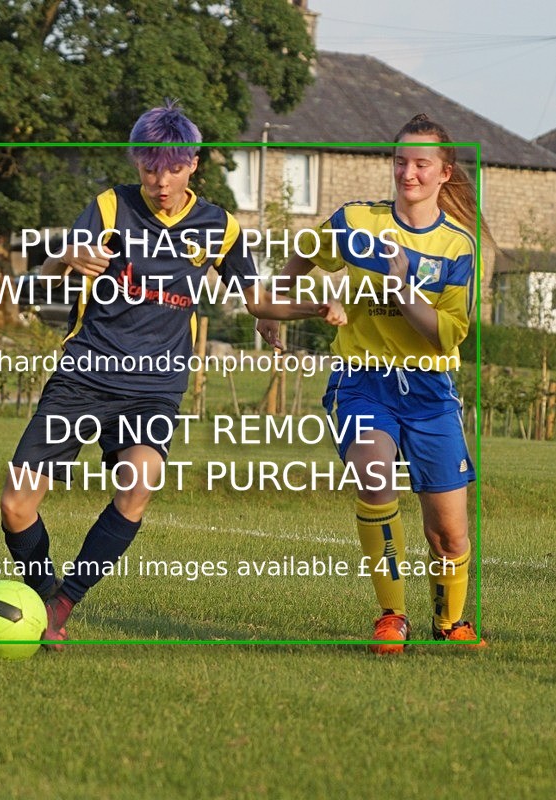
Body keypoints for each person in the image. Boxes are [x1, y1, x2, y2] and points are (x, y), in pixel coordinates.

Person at [0, 101, 346, 649]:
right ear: (137, 164)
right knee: (16, 505)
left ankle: (62, 606)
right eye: (149, 168)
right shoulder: (109, 208)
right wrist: (67, 257)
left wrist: (314, 307)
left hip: (153, 387)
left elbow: (257, 301)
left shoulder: (218, 226)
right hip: (84, 376)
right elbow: (45, 270)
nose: (161, 182)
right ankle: (42, 592)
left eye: (173, 168)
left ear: (193, 164)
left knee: (137, 488)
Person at [259, 113, 491, 654]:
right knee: (374, 475)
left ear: (444, 173)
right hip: (362, 381)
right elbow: (307, 253)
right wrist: (273, 304)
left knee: (449, 534)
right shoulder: (358, 220)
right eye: (400, 162)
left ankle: (449, 622)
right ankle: (392, 615)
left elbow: (445, 336)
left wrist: (404, 286)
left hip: (431, 389)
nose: (407, 174)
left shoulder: (459, 247)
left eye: (421, 164)